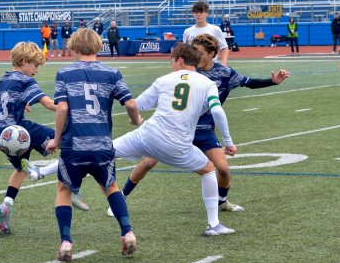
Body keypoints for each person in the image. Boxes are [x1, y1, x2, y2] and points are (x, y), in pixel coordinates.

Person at [112, 34, 290, 218]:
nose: (196, 55)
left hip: (204, 131)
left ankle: (221, 202)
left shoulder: (225, 73)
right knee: (148, 162)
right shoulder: (187, 73)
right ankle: (122, 196)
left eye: (200, 52)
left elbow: (249, 83)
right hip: (178, 131)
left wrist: (273, 81)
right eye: (194, 51)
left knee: (223, 169)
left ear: (212, 54)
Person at [112, 42, 237, 236]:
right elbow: (217, 111)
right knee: (208, 170)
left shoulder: (163, 80)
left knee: (101, 151)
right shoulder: (207, 83)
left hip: (148, 135)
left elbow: (135, 104)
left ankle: (47, 170)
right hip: (178, 145)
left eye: (171, 60)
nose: (171, 64)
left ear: (179, 60)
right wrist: (228, 142)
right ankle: (213, 224)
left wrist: (134, 118)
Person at [45, 28, 141, 261]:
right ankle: (127, 232)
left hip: (74, 145)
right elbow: (130, 102)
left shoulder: (65, 73)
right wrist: (134, 120)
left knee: (64, 190)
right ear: (98, 46)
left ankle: (66, 242)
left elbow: (63, 108)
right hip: (102, 144)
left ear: (74, 47)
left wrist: (56, 139)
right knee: (111, 188)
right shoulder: (112, 73)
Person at [0, 42, 86, 236]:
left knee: (21, 167)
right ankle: (73, 188)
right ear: (25, 62)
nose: (37, 71)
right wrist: (71, 108)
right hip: (20, 130)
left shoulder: (3, 79)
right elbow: (50, 104)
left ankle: (7, 204)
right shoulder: (25, 81)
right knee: (69, 142)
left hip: (1, 136)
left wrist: (19, 105)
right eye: (35, 65)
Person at [183, 1, 228, 66]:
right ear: (193, 14)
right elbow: (186, 51)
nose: (198, 14)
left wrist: (224, 63)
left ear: (206, 13)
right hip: (194, 67)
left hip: (211, 67)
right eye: (196, 12)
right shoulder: (187, 32)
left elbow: (224, 47)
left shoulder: (215, 29)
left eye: (201, 12)